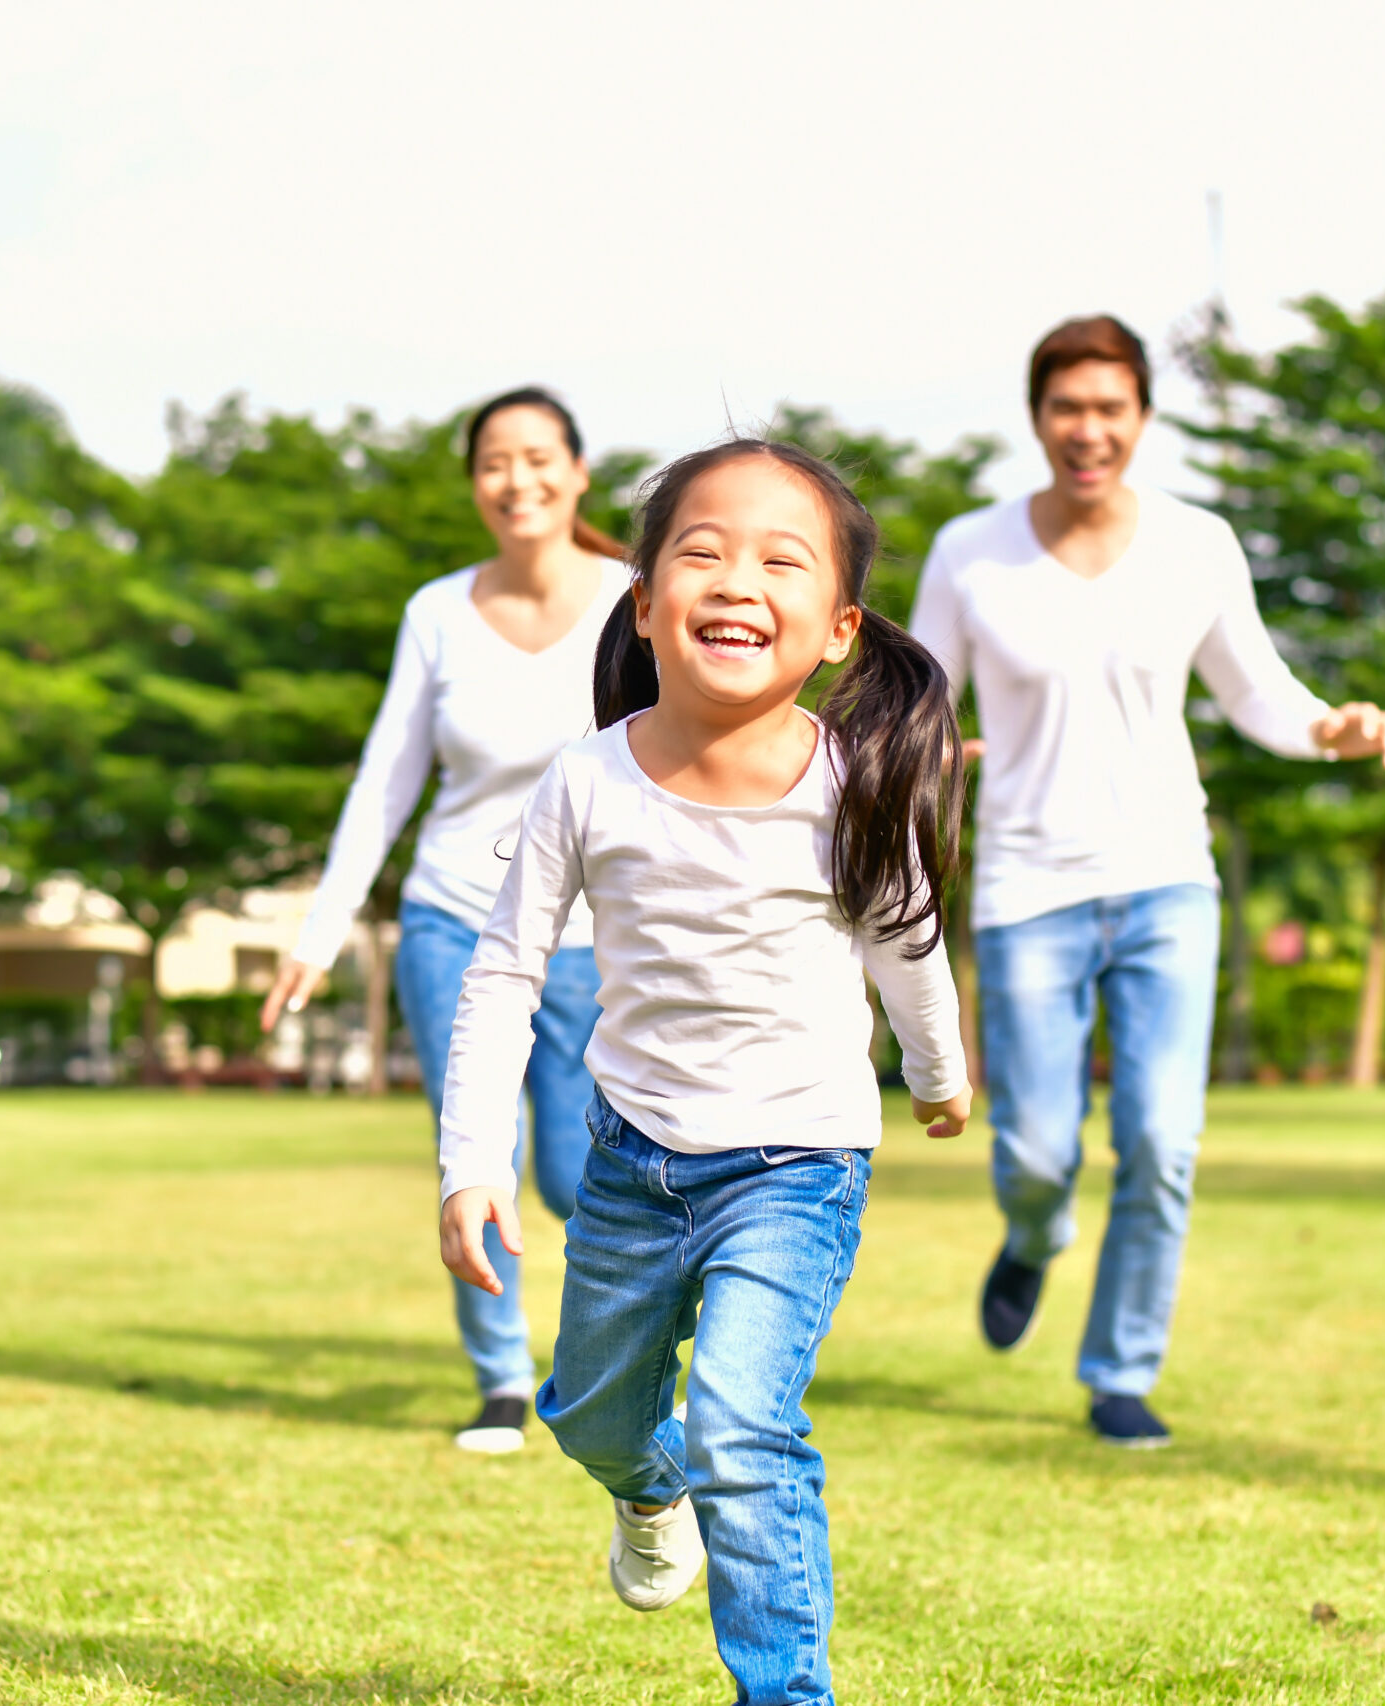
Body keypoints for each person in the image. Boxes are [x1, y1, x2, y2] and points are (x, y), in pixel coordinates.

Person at [438, 439, 971, 1706]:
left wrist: (940, 1078)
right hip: (629, 1163)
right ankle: (644, 1482)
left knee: (742, 1424)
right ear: (641, 598)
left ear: (837, 628)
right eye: (703, 550)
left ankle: (783, 1690)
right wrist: (470, 1162)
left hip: (797, 1166)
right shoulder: (584, 779)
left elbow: (909, 948)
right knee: (591, 1416)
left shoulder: (857, 785)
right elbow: (504, 973)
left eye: (782, 560)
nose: (738, 578)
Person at [909, 315, 1385, 1448]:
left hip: (1166, 877)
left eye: (1109, 409)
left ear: (1140, 418)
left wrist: (1333, 726)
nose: (1088, 430)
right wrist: (924, 752)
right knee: (1036, 1147)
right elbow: (923, 701)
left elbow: (1258, 692)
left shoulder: (1195, 542)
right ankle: (1034, 1236)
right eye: (1067, 408)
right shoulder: (970, 550)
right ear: (1037, 418)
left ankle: (1120, 1368)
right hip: (1029, 883)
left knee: (1162, 1139)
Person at [260, 387, 627, 1455]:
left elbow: (703, 718)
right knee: (475, 1147)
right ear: (474, 484)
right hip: (455, 918)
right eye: (493, 464)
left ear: (577, 469)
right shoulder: (436, 612)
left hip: (593, 933)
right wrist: (318, 932)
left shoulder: (634, 600)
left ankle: (608, 1349)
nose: (517, 480)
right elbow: (384, 785)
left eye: (537, 458)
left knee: (577, 1167)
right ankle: (502, 1379)